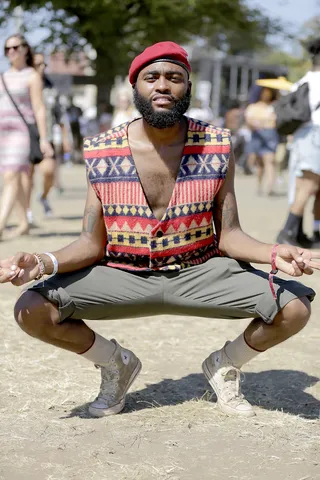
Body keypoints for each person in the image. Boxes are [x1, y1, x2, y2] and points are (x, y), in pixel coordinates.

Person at [0, 41, 318, 420]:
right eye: (152, 77)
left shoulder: (216, 144)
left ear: (188, 87)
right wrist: (41, 261)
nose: (163, 86)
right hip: (123, 273)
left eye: (174, 78)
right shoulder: (102, 149)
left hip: (200, 271)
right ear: (136, 88)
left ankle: (225, 364)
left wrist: (272, 252)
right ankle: (116, 364)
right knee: (31, 309)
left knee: (295, 308)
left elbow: (230, 235)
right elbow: (90, 242)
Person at [0, 34, 53, 240]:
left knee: (11, 175)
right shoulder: (3, 76)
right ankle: (23, 223)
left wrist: (43, 138)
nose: (10, 52)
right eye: (7, 49)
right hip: (3, 132)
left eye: (14, 47)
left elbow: (39, 108)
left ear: (24, 49)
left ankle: (1, 224)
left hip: (21, 131)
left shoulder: (32, 76)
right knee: (14, 177)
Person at [277, 38, 320, 247]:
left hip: (303, 136)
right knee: (309, 185)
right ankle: (287, 232)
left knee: (309, 185)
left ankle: (306, 234)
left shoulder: (304, 80)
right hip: (315, 136)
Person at [26, 53, 71, 220]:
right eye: (38, 64)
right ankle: (27, 210)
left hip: (48, 137)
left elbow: (60, 116)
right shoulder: (25, 85)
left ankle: (43, 197)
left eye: (44, 64)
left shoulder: (51, 88)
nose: (42, 67)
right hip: (28, 137)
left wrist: (66, 138)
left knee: (48, 171)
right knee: (28, 176)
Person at [244, 87, 279, 196]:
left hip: (270, 135)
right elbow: (248, 121)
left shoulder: (274, 107)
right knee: (260, 163)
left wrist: (261, 122)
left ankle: (270, 187)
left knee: (270, 161)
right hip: (257, 136)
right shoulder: (253, 107)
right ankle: (259, 185)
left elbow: (275, 122)